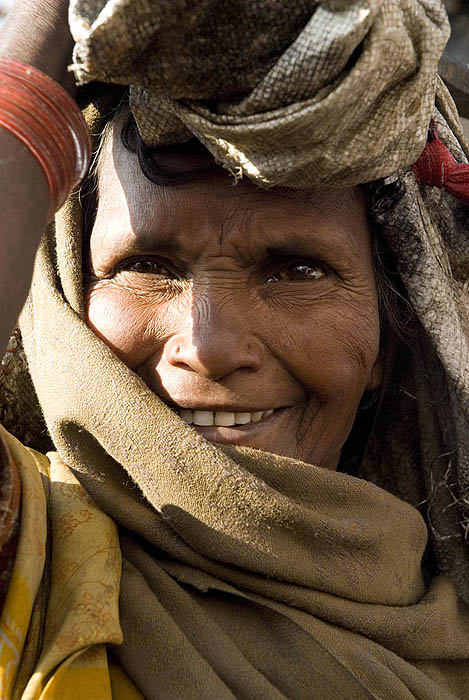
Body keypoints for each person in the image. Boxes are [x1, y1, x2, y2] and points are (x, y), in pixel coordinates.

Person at [0, 0, 469, 698]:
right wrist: (44, 34)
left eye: (296, 269)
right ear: (67, 294)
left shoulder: (448, 635)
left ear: (388, 329)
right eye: (149, 267)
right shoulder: (32, 558)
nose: (211, 347)